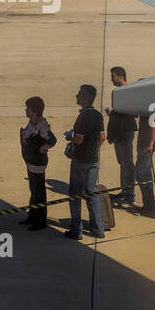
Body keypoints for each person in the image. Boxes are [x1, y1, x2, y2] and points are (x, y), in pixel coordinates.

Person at [64, 85, 106, 240]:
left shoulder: (84, 116)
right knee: (91, 193)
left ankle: (76, 229)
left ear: (86, 98)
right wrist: (93, 149)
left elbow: (79, 139)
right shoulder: (97, 115)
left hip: (80, 161)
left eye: (80, 94)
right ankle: (98, 228)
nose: (77, 96)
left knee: (75, 194)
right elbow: (102, 137)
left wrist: (70, 137)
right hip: (93, 160)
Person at [19, 97, 56, 231]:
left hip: (38, 163)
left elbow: (53, 140)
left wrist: (43, 147)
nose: (26, 110)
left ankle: (40, 221)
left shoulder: (42, 126)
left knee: (39, 193)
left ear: (35, 111)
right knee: (33, 190)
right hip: (31, 161)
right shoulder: (32, 123)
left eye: (28, 108)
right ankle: (32, 216)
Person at [105, 68, 137, 207]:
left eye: (113, 76)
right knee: (122, 163)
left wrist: (113, 113)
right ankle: (124, 191)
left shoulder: (128, 91)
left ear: (120, 76)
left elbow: (131, 112)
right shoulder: (119, 91)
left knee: (127, 164)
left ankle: (130, 195)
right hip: (119, 133)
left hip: (125, 132)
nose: (111, 79)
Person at [133, 108, 155, 214]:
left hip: (146, 146)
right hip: (144, 144)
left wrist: (151, 144)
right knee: (146, 173)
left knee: (141, 173)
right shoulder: (149, 105)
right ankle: (149, 204)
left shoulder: (153, 106)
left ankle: (149, 204)